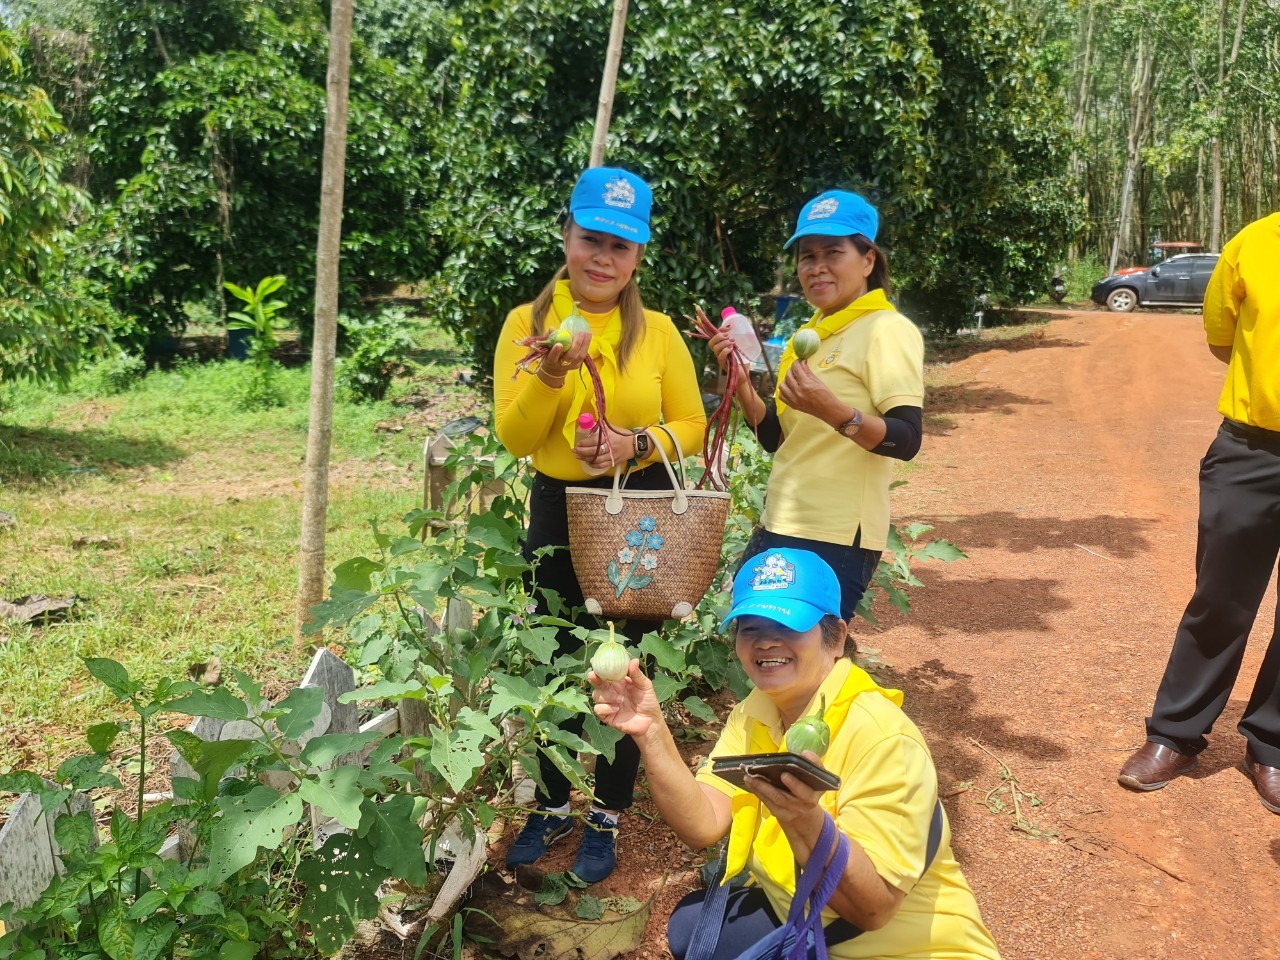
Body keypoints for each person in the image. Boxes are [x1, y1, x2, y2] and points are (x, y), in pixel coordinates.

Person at [590, 548, 1001, 959]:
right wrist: (652, 732)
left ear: (835, 638)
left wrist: (803, 818)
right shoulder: (757, 710)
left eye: (788, 624)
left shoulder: (883, 738)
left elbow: (871, 909)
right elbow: (703, 823)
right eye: (750, 628)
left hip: (893, 946)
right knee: (691, 928)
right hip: (801, 912)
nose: (766, 641)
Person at [492, 166, 708, 881]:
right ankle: (552, 805)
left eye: (621, 245)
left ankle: (607, 813)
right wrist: (551, 375)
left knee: (628, 664)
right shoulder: (527, 328)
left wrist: (634, 444)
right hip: (558, 508)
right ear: (566, 235)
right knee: (554, 656)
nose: (603, 258)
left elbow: (693, 424)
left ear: (639, 257)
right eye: (591, 239)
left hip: (638, 506)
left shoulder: (660, 334)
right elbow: (516, 439)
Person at [1118, 211, 1280, 814]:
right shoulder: (1253, 244)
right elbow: (1223, 339)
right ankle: (1175, 735)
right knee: (1221, 597)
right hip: (1252, 448)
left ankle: (1271, 745)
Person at [708, 190, 924, 621]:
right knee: (757, 641)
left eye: (833, 252)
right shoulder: (807, 337)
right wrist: (738, 378)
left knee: (805, 659)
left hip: (837, 534)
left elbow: (907, 439)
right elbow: (775, 437)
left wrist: (834, 412)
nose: (817, 266)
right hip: (782, 520)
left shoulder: (887, 330)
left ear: (867, 260)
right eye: (807, 256)